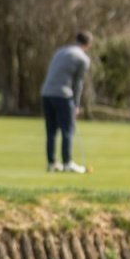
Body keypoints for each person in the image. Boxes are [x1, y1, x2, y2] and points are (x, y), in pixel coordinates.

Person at [40, 31, 92, 173]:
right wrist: (76, 104)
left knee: (51, 131)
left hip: (46, 93)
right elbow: (78, 83)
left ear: (76, 40)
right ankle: (67, 163)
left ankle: (52, 163)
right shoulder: (83, 59)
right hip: (63, 95)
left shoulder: (60, 51)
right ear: (88, 44)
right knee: (67, 130)